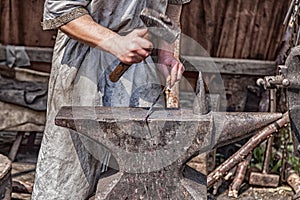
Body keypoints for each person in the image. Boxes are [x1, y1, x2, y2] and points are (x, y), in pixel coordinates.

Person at [32, 0, 190, 199]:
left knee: (139, 175)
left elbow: (173, 6)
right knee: (70, 178)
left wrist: (165, 53)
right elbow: (61, 9)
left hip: (142, 69)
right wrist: (116, 43)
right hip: (86, 63)